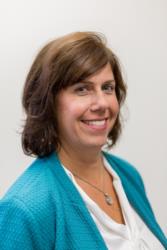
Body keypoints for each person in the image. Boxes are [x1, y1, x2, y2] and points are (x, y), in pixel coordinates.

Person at [0, 31, 166, 250]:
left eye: (107, 87)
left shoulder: (128, 176)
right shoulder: (25, 208)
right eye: (82, 89)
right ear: (48, 102)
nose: (101, 103)